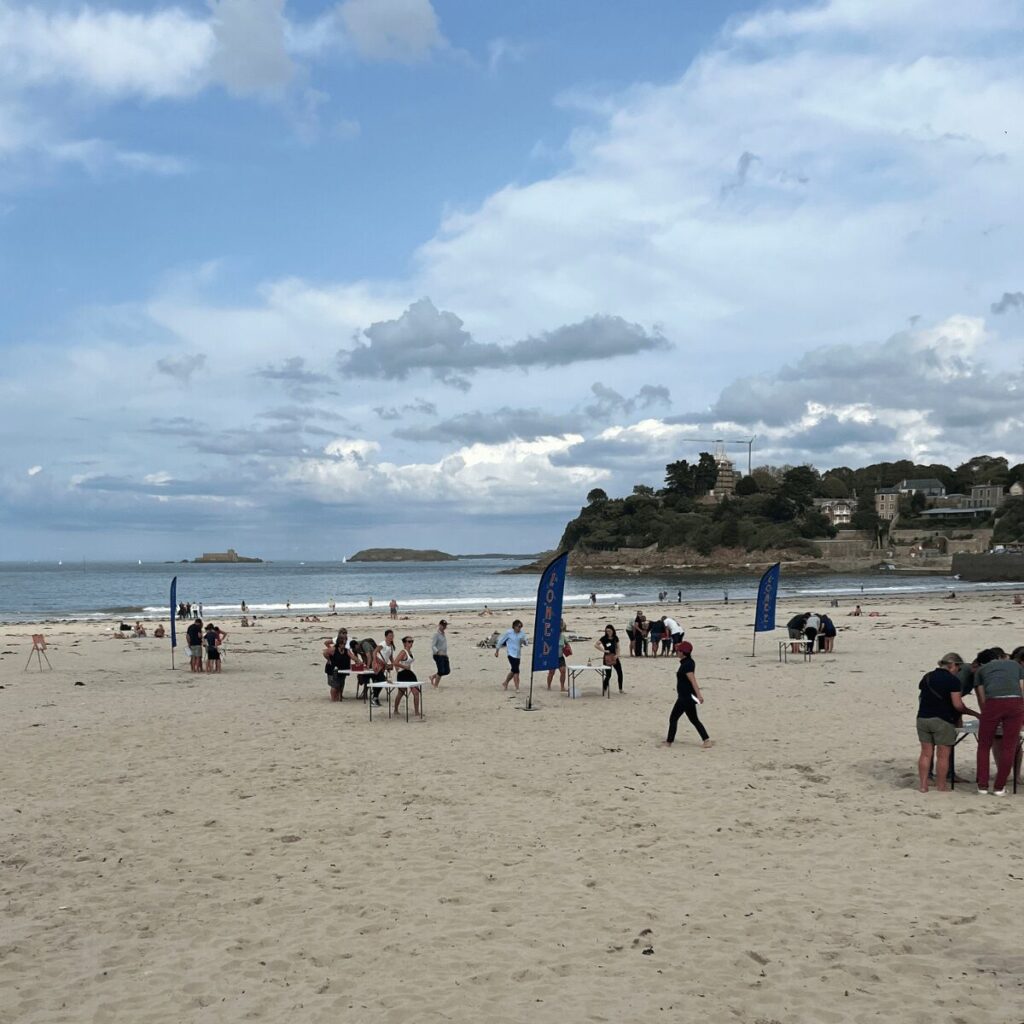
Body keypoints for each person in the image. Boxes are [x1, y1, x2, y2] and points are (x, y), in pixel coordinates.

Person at [916, 653, 978, 793]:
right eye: (958, 668)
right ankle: (942, 786)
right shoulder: (953, 681)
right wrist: (973, 713)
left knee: (926, 753)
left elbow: (923, 695)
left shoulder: (927, 677)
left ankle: (923, 785)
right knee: (943, 755)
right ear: (953, 665)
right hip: (942, 720)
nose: (958, 671)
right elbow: (957, 705)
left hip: (922, 718)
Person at [975, 647, 1024, 795]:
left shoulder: (980, 671)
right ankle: (999, 787)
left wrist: (987, 714)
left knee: (984, 745)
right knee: (1009, 746)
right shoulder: (1016, 666)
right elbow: (1021, 689)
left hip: (993, 703)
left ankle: (982, 786)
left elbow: (982, 698)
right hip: (1015, 703)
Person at [663, 641, 712, 749]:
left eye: (678, 650)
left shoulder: (687, 665)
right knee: (694, 719)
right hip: (687, 697)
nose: (677, 651)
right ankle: (706, 740)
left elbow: (693, 681)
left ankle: (668, 742)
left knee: (673, 718)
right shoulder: (687, 661)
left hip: (685, 697)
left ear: (683, 653)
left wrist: (699, 695)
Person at [495, 619, 528, 691]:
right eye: (518, 627)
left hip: (518, 655)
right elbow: (501, 641)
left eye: (520, 627)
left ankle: (505, 682)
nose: (519, 628)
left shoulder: (522, 633)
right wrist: (497, 651)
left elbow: (526, 643)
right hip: (510, 654)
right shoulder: (509, 633)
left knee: (513, 670)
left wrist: (524, 641)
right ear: (514, 626)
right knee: (516, 670)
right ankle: (517, 688)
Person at [393, 636, 422, 717]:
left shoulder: (410, 652)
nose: (411, 643)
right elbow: (395, 662)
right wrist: (404, 667)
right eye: (409, 641)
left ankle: (416, 712)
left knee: (416, 692)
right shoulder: (403, 652)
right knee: (401, 693)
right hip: (403, 674)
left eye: (412, 641)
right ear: (404, 643)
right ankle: (395, 709)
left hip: (410, 673)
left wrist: (407, 667)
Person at [595, 624, 623, 694]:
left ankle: (620, 689)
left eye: (609, 631)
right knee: (608, 675)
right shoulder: (604, 638)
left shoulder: (615, 637)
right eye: (607, 631)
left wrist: (618, 655)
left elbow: (618, 647)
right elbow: (596, 645)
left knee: (620, 672)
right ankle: (604, 688)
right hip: (607, 657)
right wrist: (604, 650)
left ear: (613, 630)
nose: (608, 632)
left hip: (614, 656)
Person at [327, 627, 350, 700]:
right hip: (335, 664)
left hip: (344, 661)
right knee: (335, 683)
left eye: (345, 633)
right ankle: (334, 697)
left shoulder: (348, 639)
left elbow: (351, 652)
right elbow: (326, 648)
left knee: (342, 680)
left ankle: (340, 695)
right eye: (342, 633)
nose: (344, 634)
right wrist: (329, 658)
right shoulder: (336, 642)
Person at [547, 619, 569, 690]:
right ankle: (549, 686)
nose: (560, 631)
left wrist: (568, 648)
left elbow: (567, 644)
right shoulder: (551, 636)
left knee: (563, 671)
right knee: (551, 672)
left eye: (560, 630)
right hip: (552, 657)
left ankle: (562, 687)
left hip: (560, 657)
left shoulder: (563, 637)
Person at [429, 619, 450, 688]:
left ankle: (432, 676)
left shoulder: (443, 634)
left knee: (447, 671)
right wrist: (438, 652)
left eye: (445, 625)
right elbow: (433, 646)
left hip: (444, 655)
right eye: (442, 625)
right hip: (438, 655)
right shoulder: (436, 634)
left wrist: (445, 654)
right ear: (439, 625)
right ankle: (435, 685)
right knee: (441, 671)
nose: (444, 627)